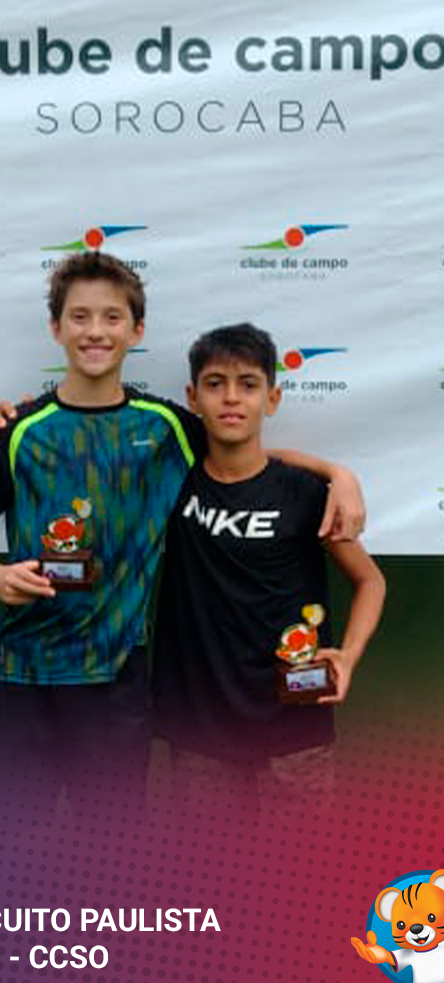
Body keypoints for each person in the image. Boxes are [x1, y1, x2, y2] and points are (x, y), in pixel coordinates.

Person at [0, 254, 365, 820]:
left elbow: (244, 454)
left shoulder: (167, 428)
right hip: (22, 677)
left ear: (136, 331)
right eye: (80, 316)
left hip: (118, 685)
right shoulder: (17, 431)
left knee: (112, 845)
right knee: (16, 839)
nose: (95, 331)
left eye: (112, 317)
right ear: (56, 328)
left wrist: (337, 474)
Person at [150, 323, 385, 822]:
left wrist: (349, 655)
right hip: (200, 728)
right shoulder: (172, 482)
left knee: (299, 865)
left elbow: (370, 581)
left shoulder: (305, 494)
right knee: (209, 864)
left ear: (272, 399)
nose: (232, 398)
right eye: (215, 384)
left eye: (249, 384)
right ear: (193, 398)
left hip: (295, 725)